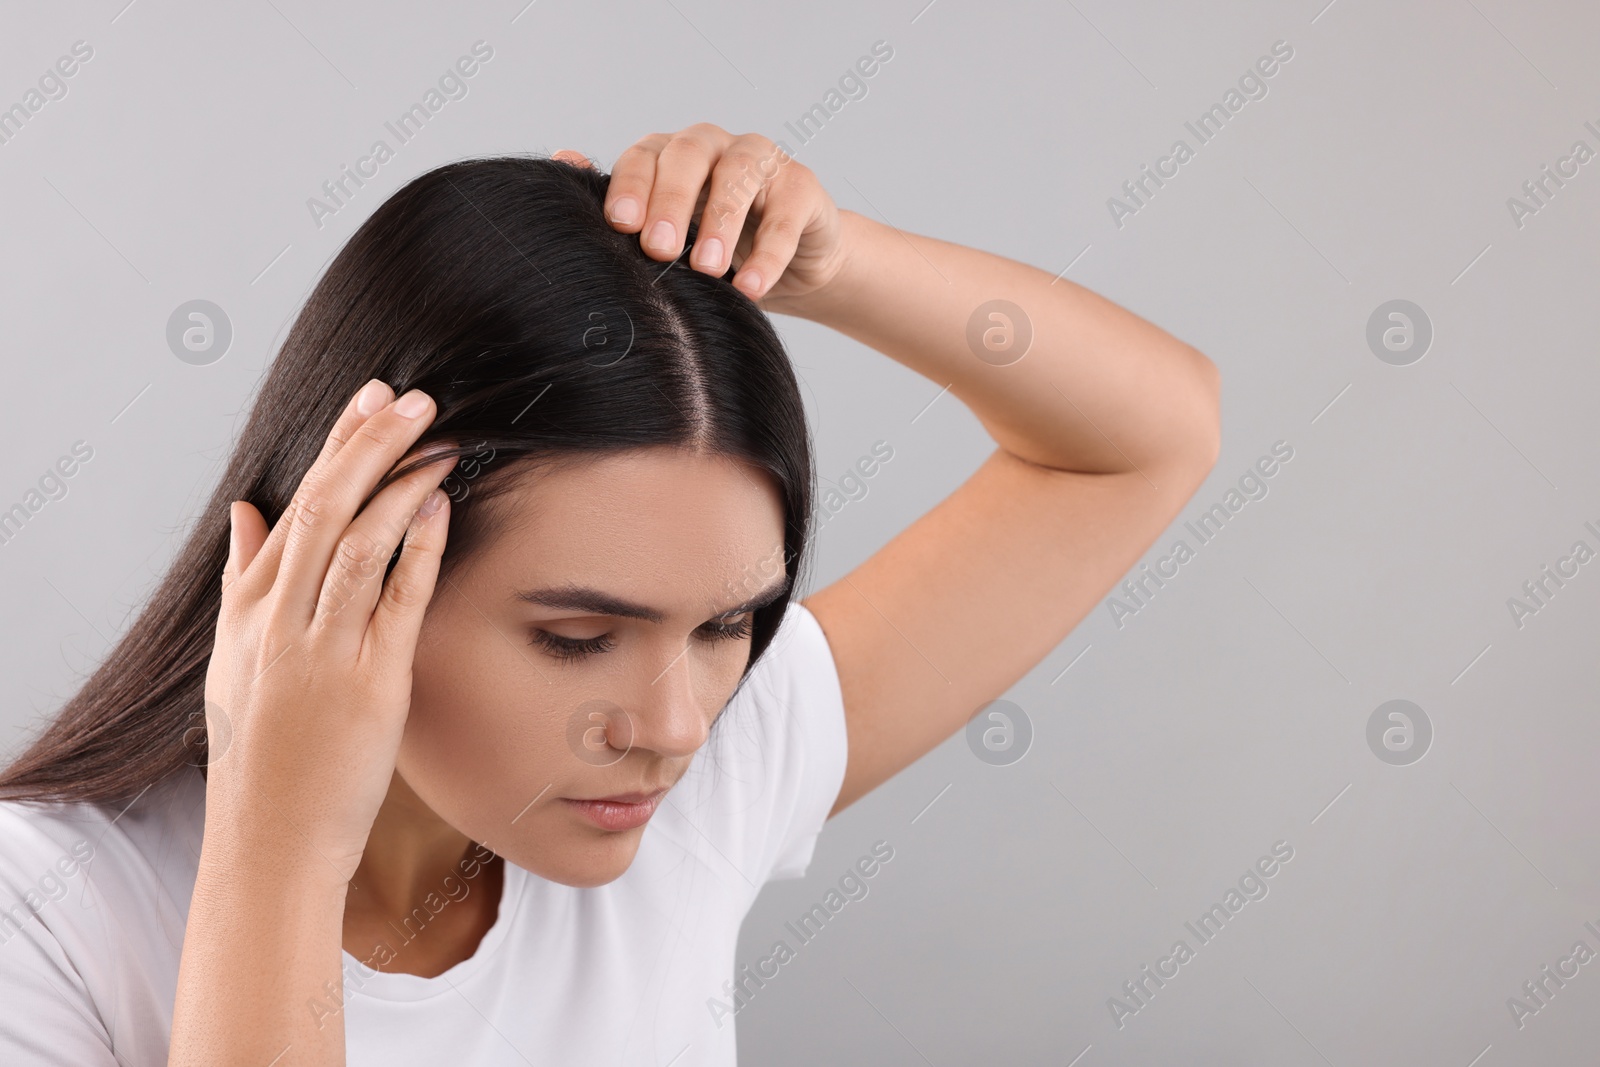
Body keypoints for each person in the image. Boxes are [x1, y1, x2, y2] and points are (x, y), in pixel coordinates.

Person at [0, 123, 1220, 1065]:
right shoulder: (42, 915)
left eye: (728, 623)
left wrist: (833, 264)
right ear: (353, 566)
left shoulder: (691, 770)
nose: (678, 725)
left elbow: (1146, 437)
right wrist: (278, 855)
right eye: (577, 636)